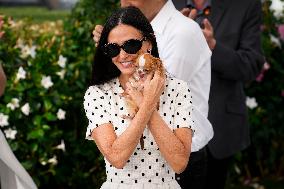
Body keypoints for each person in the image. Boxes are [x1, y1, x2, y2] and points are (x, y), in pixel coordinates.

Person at [93, 1, 214, 187]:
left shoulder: (183, 32)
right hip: (134, 160)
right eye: (112, 48)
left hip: (177, 157)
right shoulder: (142, 30)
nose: (123, 2)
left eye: (132, 45)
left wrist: (116, 51)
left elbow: (155, 89)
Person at [176, 0, 265, 188]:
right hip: (167, 124)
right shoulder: (163, 3)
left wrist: (212, 47)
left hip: (219, 128)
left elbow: (251, 65)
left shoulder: (246, 5)